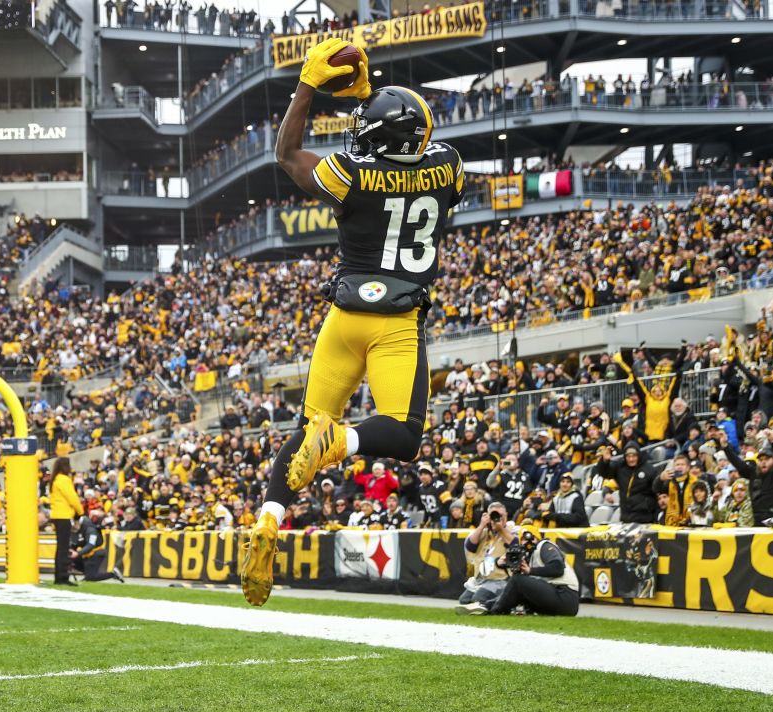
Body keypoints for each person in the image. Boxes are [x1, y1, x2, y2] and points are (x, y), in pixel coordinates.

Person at [242, 37, 464, 607]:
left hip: (343, 319)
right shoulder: (448, 168)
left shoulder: (350, 174)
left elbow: (287, 155)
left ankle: (268, 518)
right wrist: (370, 98)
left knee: (308, 427)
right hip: (396, 322)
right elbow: (407, 139)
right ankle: (339, 440)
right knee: (403, 433)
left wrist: (309, 87)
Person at [469, 525, 580, 617]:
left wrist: (530, 570)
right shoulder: (527, 558)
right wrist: (501, 562)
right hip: (555, 597)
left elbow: (558, 568)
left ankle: (494, 611)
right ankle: (484, 606)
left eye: (530, 538)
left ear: (537, 538)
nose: (527, 542)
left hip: (565, 595)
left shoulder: (544, 546)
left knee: (517, 581)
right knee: (516, 588)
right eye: (523, 539)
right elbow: (516, 586)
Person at [455, 502, 513, 611]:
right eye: (494, 515)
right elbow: (470, 545)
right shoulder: (484, 532)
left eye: (501, 515)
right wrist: (482, 525)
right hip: (481, 579)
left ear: (506, 516)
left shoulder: (511, 530)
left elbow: (515, 544)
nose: (497, 518)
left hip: (500, 579)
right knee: (464, 600)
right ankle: (488, 605)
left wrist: (501, 529)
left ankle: (504, 605)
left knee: (479, 599)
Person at [594, 443, 657, 523]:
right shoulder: (620, 467)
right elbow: (604, 473)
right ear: (625, 456)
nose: (631, 459)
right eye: (628, 456)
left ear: (638, 455)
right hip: (626, 517)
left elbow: (656, 490)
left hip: (646, 518)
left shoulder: (649, 470)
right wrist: (605, 461)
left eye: (634, 456)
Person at [49, 457, 84, 586]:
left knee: (60, 547)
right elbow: (72, 497)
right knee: (64, 548)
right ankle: (63, 577)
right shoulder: (64, 480)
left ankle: (59, 576)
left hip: (57, 515)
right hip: (64, 516)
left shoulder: (55, 480)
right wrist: (80, 512)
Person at [72, 509, 125, 582]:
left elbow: (91, 545)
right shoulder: (78, 529)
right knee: (71, 559)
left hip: (96, 553)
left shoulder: (90, 529)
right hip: (86, 553)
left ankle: (113, 574)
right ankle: (88, 575)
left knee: (91, 577)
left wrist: (78, 553)